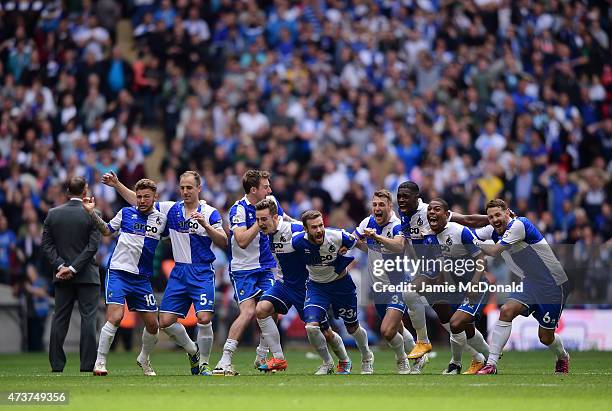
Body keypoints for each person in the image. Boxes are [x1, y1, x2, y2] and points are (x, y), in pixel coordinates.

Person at [102, 170, 227, 376]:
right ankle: (193, 350)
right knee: (165, 322)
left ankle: (204, 364)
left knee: (204, 317)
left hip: (202, 270)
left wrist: (205, 225)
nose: (185, 191)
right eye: (182, 187)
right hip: (179, 272)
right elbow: (142, 201)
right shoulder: (171, 210)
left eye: (189, 187)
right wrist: (117, 185)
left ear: (199, 188)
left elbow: (223, 241)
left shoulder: (209, 212)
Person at [474, 199, 571, 375]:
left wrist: (471, 243)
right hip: (530, 282)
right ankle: (491, 364)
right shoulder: (493, 230)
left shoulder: (520, 225)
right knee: (506, 310)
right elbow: (470, 229)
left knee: (545, 337)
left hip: (553, 284)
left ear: (508, 213)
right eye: (490, 217)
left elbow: (494, 250)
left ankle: (563, 357)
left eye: (498, 215)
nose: (495, 219)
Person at [253, 198, 350, 374]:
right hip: (284, 284)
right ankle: (279, 358)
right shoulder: (268, 234)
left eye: (264, 219)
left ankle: (343, 359)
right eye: (258, 219)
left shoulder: (294, 229)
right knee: (261, 309)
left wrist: (341, 245)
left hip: (306, 287)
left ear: (275, 217)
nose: (260, 224)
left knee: (324, 331)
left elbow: (321, 233)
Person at [396, 181, 488, 362]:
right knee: (449, 320)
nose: (401, 200)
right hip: (428, 268)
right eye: (399, 196)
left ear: (417, 198)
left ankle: (422, 340)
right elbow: (411, 245)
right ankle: (479, 356)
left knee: (409, 291)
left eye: (405, 196)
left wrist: (490, 218)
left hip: (440, 267)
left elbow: (468, 219)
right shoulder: (404, 214)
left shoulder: (430, 211)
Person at [85, 178, 168, 376]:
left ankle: (144, 359)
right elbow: (106, 231)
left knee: (153, 325)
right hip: (119, 273)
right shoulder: (125, 213)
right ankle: (100, 362)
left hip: (141, 279)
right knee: (116, 317)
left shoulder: (162, 220)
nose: (141, 200)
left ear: (155, 197)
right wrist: (91, 213)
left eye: (146, 197)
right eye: (138, 196)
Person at [214, 170, 287, 376]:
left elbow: (282, 220)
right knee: (248, 312)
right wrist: (260, 220)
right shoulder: (238, 209)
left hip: (265, 267)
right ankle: (225, 359)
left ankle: (262, 355)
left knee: (272, 309)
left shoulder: (270, 201)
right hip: (243, 269)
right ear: (254, 190)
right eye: (265, 186)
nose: (270, 190)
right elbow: (242, 241)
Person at [292, 210, 374, 375]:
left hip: (341, 286)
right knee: (311, 327)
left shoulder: (336, 236)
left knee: (352, 327)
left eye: (321, 225)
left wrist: (376, 251)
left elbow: (357, 242)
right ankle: (330, 362)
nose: (319, 230)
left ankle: (367, 356)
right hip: (317, 288)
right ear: (306, 229)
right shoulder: (297, 242)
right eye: (314, 227)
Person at [420, 198, 490, 375]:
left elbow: (481, 258)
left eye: (436, 210)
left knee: (456, 322)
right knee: (469, 330)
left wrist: (474, 283)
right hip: (455, 288)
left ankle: (455, 364)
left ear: (446, 214)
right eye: (429, 210)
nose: (431, 213)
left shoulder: (460, 231)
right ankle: (490, 359)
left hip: (476, 284)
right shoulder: (428, 237)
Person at [353, 189, 417, 374]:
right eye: (374, 205)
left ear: (390, 206)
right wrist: (348, 243)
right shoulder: (368, 221)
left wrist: (376, 237)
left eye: (381, 204)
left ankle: (402, 359)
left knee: (388, 331)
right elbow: (357, 239)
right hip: (379, 286)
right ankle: (419, 356)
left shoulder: (397, 225)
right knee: (397, 326)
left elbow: (399, 245)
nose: (377, 208)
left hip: (399, 284)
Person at [42, 176, 101, 373]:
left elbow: (47, 245)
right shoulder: (93, 214)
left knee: (59, 319)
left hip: (61, 276)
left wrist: (61, 266)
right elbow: (92, 247)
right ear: (85, 191)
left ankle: (56, 365)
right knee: (89, 320)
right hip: (87, 277)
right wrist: (74, 268)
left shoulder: (52, 214)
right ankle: (87, 366)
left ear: (68, 192)